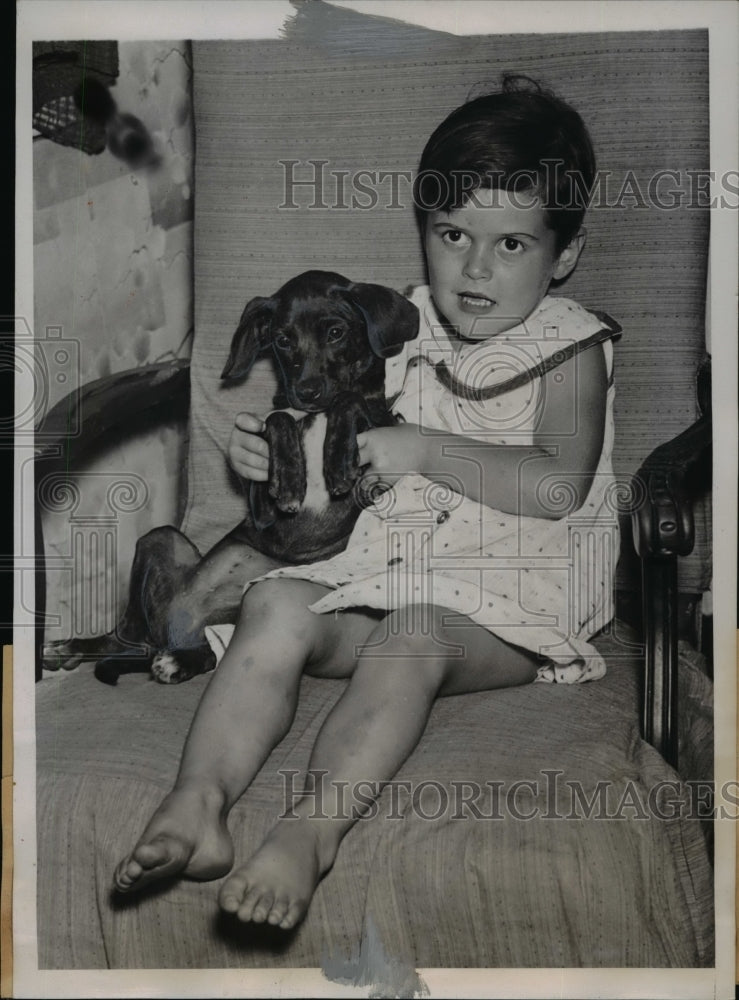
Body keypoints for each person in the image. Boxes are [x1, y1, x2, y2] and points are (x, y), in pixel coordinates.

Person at [113, 77, 620, 931]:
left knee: (406, 638)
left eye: (510, 245)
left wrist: (422, 449)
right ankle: (196, 804)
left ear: (561, 254)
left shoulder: (568, 347)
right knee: (274, 600)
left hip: (507, 605)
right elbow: (318, 425)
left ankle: (309, 835)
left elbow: (555, 482)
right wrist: (257, 450)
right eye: (452, 234)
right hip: (380, 570)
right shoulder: (399, 324)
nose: (472, 268)